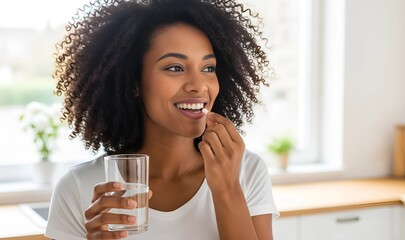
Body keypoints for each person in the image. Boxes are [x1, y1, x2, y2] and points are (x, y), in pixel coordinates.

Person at [46, 0, 279, 239]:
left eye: (208, 68)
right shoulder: (78, 187)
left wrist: (227, 189)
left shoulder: (247, 171)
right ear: (134, 82)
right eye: (176, 68)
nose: (199, 86)